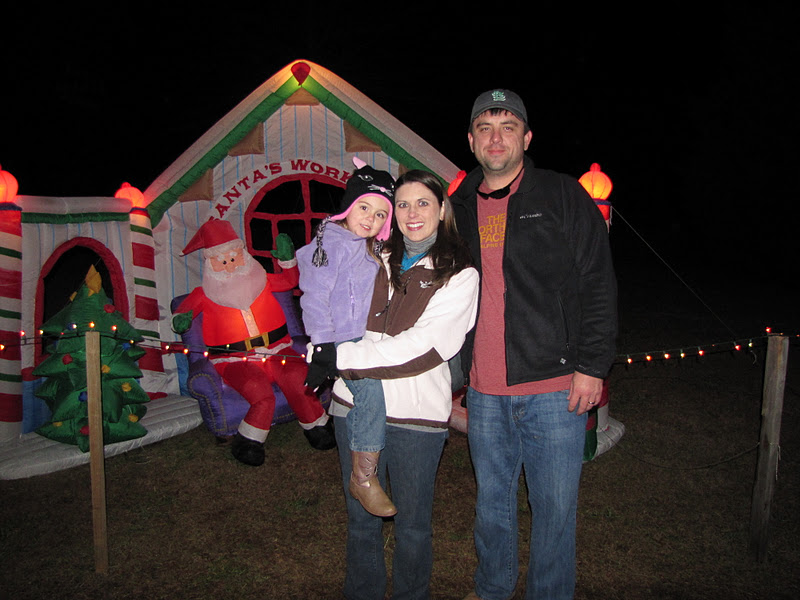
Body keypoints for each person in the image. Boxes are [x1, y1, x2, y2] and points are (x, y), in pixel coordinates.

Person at [450, 90, 618, 600]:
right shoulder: (454, 208)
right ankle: (493, 590)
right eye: (485, 127)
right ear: (472, 142)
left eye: (507, 126)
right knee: (491, 508)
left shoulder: (563, 195)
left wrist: (593, 367)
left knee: (554, 512)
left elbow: (598, 283)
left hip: (556, 387)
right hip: (484, 391)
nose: (495, 137)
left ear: (526, 137)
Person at [331, 169, 479, 600]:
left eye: (423, 203)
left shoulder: (459, 274)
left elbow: (425, 348)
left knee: (413, 524)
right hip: (352, 405)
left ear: (442, 209)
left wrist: (339, 358)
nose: (412, 213)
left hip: (415, 415)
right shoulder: (371, 257)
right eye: (402, 204)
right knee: (360, 519)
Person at [172, 218, 336, 467]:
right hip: (235, 360)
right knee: (260, 392)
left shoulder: (263, 280)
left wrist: (287, 260)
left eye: (233, 257)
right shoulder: (203, 295)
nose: (229, 264)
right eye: (222, 260)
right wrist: (181, 320)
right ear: (210, 264)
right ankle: (248, 441)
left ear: (243, 254)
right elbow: (181, 316)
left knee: (298, 378)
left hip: (278, 350)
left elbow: (290, 281)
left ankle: (317, 427)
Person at [297, 157, 398, 517]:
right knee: (369, 392)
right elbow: (314, 294)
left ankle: (362, 467)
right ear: (349, 206)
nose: (370, 219)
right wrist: (323, 343)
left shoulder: (368, 248)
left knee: (368, 398)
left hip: (364, 338)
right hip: (340, 338)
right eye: (364, 208)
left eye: (380, 215)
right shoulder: (330, 243)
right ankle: (363, 478)